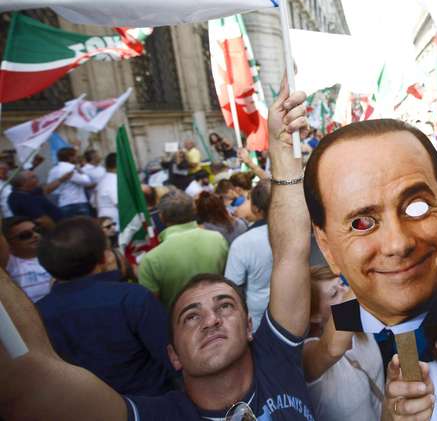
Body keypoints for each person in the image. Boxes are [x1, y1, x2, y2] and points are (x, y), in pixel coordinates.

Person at [0, 79, 323, 420]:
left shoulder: (277, 357)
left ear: (249, 328)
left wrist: (282, 150)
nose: (211, 320)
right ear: (173, 356)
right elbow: (28, 379)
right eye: (191, 317)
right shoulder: (153, 415)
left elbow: (290, 252)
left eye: (225, 306)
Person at [304, 118, 437, 333]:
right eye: (362, 223)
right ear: (326, 247)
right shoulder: (335, 348)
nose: (398, 244)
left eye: (417, 207)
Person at [35, 217, 176, 396]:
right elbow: (172, 357)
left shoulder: (37, 314)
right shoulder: (133, 298)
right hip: (151, 404)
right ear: (104, 257)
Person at [303, 264, 385, 421]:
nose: (346, 291)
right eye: (334, 293)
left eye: (342, 284)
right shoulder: (308, 354)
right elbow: (331, 350)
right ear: (314, 316)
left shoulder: (360, 326)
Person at [137, 190, 228, 310]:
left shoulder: (151, 259)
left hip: (178, 323)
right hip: (219, 313)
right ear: (194, 210)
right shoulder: (217, 239)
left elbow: (150, 307)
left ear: (161, 216)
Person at [224, 180, 273, 327]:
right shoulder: (303, 231)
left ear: (255, 208)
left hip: (260, 317)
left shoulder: (242, 244)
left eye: (249, 199)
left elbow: (233, 286)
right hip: (298, 308)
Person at [0, 216, 51, 302]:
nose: (35, 235)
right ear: (9, 244)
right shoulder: (11, 264)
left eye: (37, 230)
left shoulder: (55, 253)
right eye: (25, 235)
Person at [47, 147, 94, 217]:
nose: (77, 158)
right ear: (70, 157)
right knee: (84, 226)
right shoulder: (71, 168)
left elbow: (51, 187)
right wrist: (81, 171)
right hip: (78, 202)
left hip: (63, 203)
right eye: (75, 156)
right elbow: (86, 181)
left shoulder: (53, 170)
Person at [95, 152, 118, 224]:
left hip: (106, 220)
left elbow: (93, 202)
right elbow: (120, 203)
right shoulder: (113, 180)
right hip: (115, 223)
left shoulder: (103, 179)